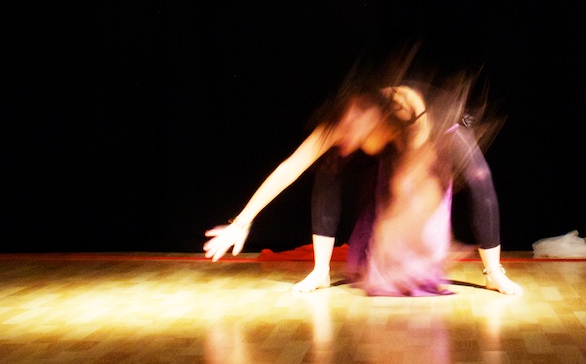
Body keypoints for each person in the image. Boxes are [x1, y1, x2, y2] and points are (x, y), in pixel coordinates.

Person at [204, 68, 522, 295]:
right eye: (346, 126)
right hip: (395, 147)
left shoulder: (406, 105)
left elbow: (416, 181)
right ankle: (320, 271)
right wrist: (241, 222)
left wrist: (418, 238)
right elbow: (290, 167)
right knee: (327, 168)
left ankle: (493, 273)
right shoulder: (342, 126)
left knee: (480, 176)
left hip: (439, 127)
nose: (348, 135)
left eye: (356, 125)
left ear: (374, 116)